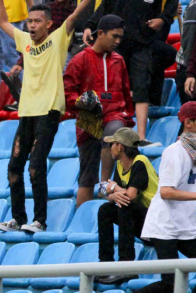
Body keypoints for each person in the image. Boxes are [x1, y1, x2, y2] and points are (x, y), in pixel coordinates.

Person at [106, 101, 196, 293]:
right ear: (188, 123)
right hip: (164, 225)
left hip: (183, 225)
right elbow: (167, 192)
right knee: (171, 281)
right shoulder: (173, 152)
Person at [0, 0, 94, 233]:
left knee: (35, 167)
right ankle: (17, 219)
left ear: (49, 24)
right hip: (26, 112)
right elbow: (4, 21)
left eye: (37, 21)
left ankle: (40, 221)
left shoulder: (57, 39)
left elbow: (76, 14)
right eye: (29, 21)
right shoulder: (24, 41)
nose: (32, 26)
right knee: (14, 168)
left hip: (48, 112)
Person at [83, 0, 179, 147]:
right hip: (118, 45)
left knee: (141, 88)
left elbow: (171, 4)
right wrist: (89, 26)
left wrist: (163, 19)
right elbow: (104, 8)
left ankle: (140, 137)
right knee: (111, 90)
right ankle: (109, 134)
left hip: (143, 44)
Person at [64, 14, 135, 207]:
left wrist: (127, 116)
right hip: (88, 120)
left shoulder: (119, 61)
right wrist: (80, 102)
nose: (118, 41)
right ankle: (81, 222)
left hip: (114, 115)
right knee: (86, 177)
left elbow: (126, 93)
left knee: (114, 131)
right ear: (100, 33)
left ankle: (105, 184)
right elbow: (67, 92)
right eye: (115, 36)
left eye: (121, 37)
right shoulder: (79, 60)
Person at [97, 128, 159, 285]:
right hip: (142, 221)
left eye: (112, 144)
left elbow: (129, 195)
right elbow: (110, 196)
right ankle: (106, 264)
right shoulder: (119, 164)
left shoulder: (140, 162)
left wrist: (114, 189)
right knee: (105, 209)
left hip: (157, 223)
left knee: (125, 206)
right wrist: (114, 193)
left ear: (120, 146)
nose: (110, 147)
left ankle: (127, 266)